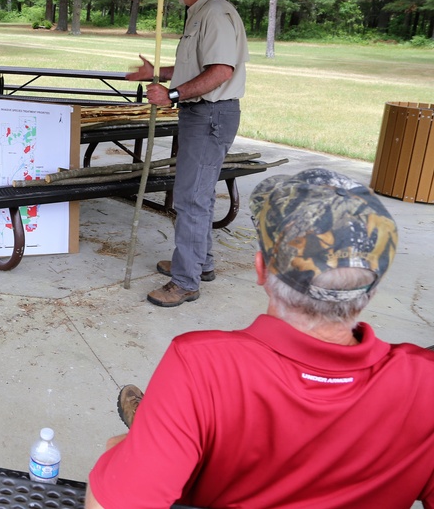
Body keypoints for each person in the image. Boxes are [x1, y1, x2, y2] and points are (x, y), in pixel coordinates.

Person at [85, 168, 434, 509]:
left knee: (115, 450)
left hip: (201, 413)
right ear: (372, 289)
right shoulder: (425, 383)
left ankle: (165, 429)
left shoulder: (202, 367)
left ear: (261, 269)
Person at [126, 0, 248, 308]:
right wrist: (158, 75)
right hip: (204, 114)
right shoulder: (201, 12)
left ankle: (185, 282)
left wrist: (172, 94)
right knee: (200, 194)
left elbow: (221, 71)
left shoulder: (216, 14)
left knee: (191, 198)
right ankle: (200, 263)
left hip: (210, 114)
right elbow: (199, 66)